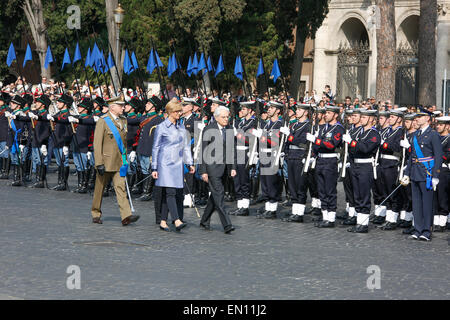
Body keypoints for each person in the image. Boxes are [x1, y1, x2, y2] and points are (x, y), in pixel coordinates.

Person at [91, 95, 140, 226]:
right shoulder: (103, 121)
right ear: (112, 107)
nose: (123, 107)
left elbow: (122, 142)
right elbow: (97, 143)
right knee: (99, 189)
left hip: (119, 161)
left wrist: (125, 157)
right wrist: (98, 162)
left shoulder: (123, 120)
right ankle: (96, 213)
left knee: (121, 187)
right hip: (105, 161)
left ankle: (126, 215)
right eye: (120, 105)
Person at [151, 98, 194, 232]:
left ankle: (163, 221)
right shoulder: (161, 127)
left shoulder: (181, 126)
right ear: (170, 112)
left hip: (178, 164)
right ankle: (176, 220)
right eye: (176, 111)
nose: (179, 113)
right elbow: (155, 148)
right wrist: (154, 167)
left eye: (180, 111)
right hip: (165, 164)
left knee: (169, 193)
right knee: (170, 192)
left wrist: (190, 162)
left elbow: (186, 146)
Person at [400, 106, 443, 241]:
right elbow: (412, 156)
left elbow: (438, 156)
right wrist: (407, 173)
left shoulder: (433, 135)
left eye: (419, 117)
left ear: (427, 118)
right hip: (415, 172)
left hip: (427, 173)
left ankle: (426, 231)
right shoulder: (415, 135)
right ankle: (418, 229)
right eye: (416, 117)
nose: (416, 120)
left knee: (427, 203)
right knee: (417, 203)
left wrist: (436, 175)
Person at [198, 105, 237, 233]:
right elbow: (203, 151)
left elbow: (232, 150)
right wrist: (203, 171)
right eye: (223, 117)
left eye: (227, 117)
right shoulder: (208, 129)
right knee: (219, 196)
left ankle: (204, 220)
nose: (226, 119)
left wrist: (233, 167)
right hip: (212, 168)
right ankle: (227, 225)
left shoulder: (230, 128)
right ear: (216, 117)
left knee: (214, 196)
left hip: (225, 169)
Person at [343, 109, 380, 233]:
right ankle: (359, 221)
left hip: (365, 167)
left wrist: (352, 142)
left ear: (371, 119)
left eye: (364, 117)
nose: (362, 119)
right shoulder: (360, 132)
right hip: (355, 165)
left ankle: (363, 224)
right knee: (357, 195)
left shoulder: (374, 134)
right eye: (362, 117)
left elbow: (365, 149)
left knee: (363, 195)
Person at [307, 105, 345, 227]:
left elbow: (331, 145)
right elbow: (318, 147)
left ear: (335, 115)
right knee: (321, 190)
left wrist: (317, 141)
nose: (325, 115)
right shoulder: (324, 128)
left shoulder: (338, 128)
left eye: (328, 113)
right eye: (326, 113)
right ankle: (325, 216)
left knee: (329, 190)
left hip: (330, 161)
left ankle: (331, 218)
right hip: (320, 161)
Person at [432, 116, 449, 232]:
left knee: (443, 196)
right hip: (434, 168)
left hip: (444, 169)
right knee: (435, 195)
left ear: (447, 126)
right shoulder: (436, 138)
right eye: (437, 124)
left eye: (441, 125)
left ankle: (442, 222)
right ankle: (436, 220)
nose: (438, 126)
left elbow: (447, 156)